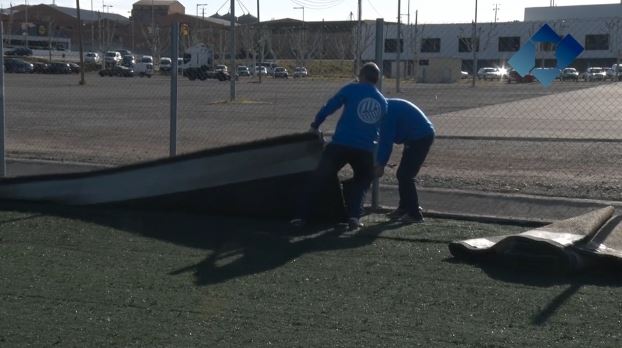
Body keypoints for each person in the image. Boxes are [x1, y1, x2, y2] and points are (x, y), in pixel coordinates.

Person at [291, 62, 388, 230]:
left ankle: (301, 216)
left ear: (361, 76)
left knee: (318, 178)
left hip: (341, 144)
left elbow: (329, 107)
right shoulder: (382, 101)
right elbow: (381, 132)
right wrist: (379, 158)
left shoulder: (351, 89)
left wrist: (315, 125)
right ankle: (354, 217)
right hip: (365, 149)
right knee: (362, 182)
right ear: (377, 80)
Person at [376, 98, 435, 223]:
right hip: (417, 136)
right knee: (403, 174)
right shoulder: (384, 106)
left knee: (405, 175)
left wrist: (380, 164)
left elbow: (386, 142)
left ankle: (414, 214)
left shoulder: (385, 112)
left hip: (420, 137)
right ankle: (404, 208)